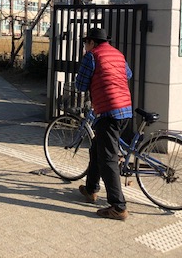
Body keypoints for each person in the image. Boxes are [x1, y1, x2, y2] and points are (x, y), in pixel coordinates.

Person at [75, 27, 133, 220]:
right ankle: (91, 188)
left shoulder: (92, 56)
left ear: (92, 42)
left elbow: (80, 85)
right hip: (125, 109)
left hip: (109, 110)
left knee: (108, 158)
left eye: (86, 42)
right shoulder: (117, 54)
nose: (85, 46)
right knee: (96, 148)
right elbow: (128, 74)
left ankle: (118, 207)